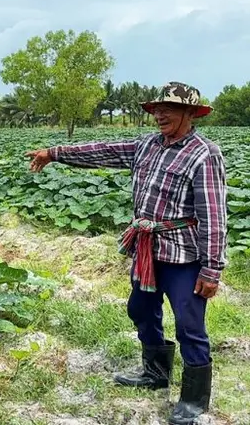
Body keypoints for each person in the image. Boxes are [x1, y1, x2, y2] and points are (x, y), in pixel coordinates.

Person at [26, 82, 227, 425]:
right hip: (147, 249)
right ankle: (155, 373)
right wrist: (54, 153)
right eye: (157, 109)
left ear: (190, 114)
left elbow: (213, 215)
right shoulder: (146, 145)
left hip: (183, 255)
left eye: (168, 109)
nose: (160, 115)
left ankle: (194, 400)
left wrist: (211, 269)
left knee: (189, 324)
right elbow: (101, 151)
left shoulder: (204, 154)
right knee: (140, 309)